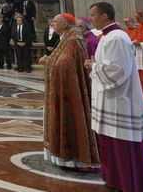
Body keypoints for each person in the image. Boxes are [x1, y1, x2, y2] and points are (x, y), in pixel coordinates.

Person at [86, 2, 143, 192]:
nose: (90, 18)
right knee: (112, 143)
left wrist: (93, 67)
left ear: (105, 16)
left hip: (120, 100)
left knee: (122, 146)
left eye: (93, 15)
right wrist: (95, 66)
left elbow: (117, 71)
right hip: (111, 100)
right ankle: (117, 179)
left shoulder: (117, 38)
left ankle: (130, 183)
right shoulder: (108, 36)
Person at [38, 13, 100, 171]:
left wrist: (51, 61)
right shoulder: (66, 39)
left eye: (56, 22)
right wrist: (50, 60)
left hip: (70, 91)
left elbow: (67, 64)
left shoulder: (74, 41)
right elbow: (61, 60)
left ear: (65, 24)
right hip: (61, 89)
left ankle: (73, 158)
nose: (52, 24)